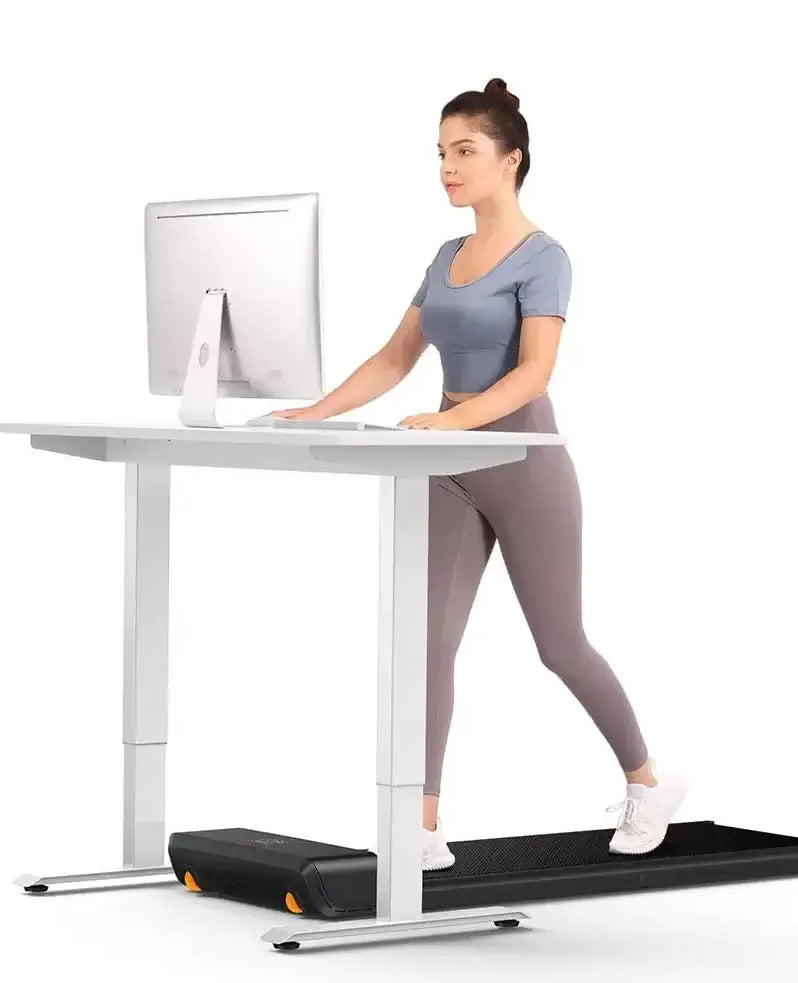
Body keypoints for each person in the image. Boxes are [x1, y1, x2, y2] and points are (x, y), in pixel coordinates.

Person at [270, 78, 688, 871]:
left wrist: (452, 419)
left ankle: (645, 780)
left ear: (511, 159)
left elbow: (533, 373)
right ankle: (421, 825)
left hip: (522, 458)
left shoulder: (546, 257)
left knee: (560, 645)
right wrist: (314, 411)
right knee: (427, 645)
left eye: (464, 151)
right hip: (447, 462)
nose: (447, 167)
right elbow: (398, 355)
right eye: (440, 153)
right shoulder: (444, 257)